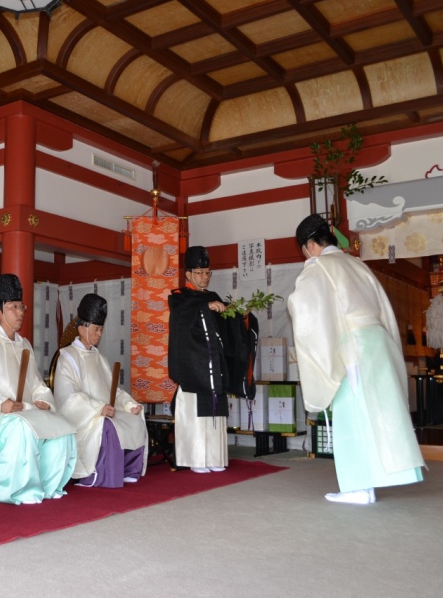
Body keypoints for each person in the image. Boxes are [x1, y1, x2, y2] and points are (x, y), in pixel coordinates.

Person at [287, 214, 425, 505]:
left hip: (351, 347)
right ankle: (371, 483)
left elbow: (306, 310)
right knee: (378, 413)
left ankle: (358, 487)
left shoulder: (319, 266)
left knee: (352, 415)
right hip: (378, 341)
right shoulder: (357, 264)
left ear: (310, 245)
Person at [0, 274, 77, 504]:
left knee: (62, 426)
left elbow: (37, 383)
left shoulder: (24, 345)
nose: (20, 312)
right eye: (13, 307)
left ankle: (49, 486)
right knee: (22, 428)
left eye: (22, 307)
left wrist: (43, 399)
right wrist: (0, 405)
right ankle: (21, 490)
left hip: (26, 411)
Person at [168, 246, 257, 473]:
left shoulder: (214, 297)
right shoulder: (178, 298)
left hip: (213, 365)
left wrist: (240, 318)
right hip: (193, 367)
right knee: (195, 417)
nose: (205, 277)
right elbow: (182, 320)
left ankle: (215, 457)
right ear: (188, 274)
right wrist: (204, 308)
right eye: (200, 273)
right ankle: (196, 459)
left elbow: (226, 330)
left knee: (216, 413)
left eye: (208, 273)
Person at [53, 293, 147, 488]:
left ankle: (128, 470)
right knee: (107, 425)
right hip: (83, 417)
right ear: (82, 328)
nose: (99, 334)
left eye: (101, 330)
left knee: (134, 419)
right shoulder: (67, 357)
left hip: (104, 411)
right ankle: (98, 475)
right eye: (96, 329)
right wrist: (98, 409)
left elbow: (113, 391)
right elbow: (68, 397)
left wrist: (129, 404)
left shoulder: (100, 358)